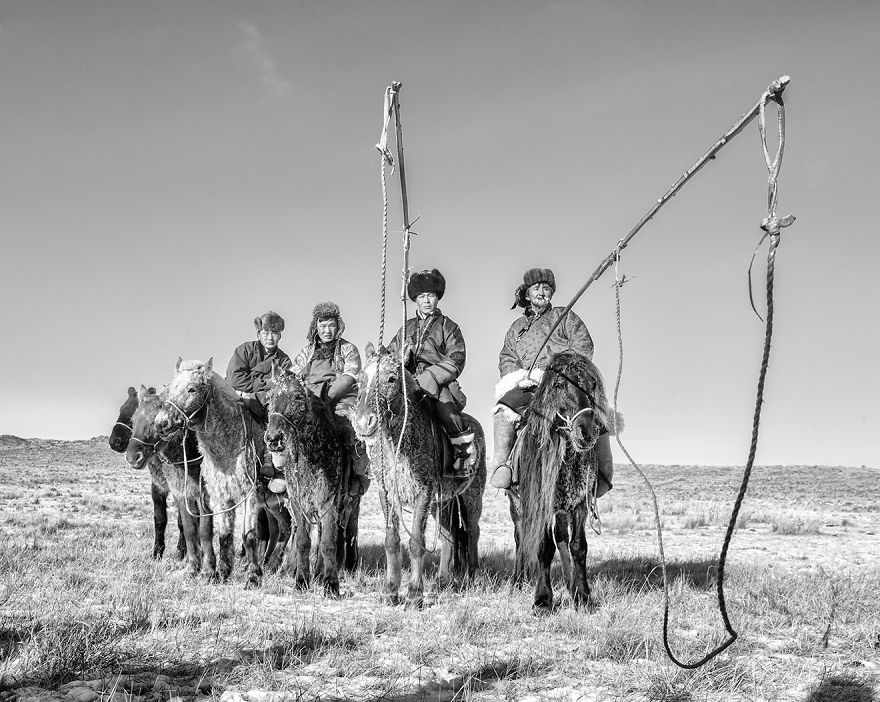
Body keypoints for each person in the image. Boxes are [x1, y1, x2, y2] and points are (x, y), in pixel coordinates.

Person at [489, 268, 615, 494]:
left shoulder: (564, 316)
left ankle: (603, 475)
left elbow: (583, 345)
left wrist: (561, 368)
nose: (541, 292)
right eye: (536, 288)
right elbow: (507, 357)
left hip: (565, 379)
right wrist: (518, 377)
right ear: (527, 294)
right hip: (530, 383)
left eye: (546, 288)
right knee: (503, 410)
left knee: (597, 412)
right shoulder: (516, 328)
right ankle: (503, 465)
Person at [388, 268, 474, 477]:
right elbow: (390, 359)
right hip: (408, 383)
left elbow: (456, 359)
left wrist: (428, 378)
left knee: (448, 413)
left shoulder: (449, 327)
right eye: (422, 296)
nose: (426, 300)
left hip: (438, 384)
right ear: (415, 300)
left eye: (431, 295)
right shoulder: (404, 328)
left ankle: (461, 458)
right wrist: (401, 355)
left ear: (437, 298)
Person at [289, 301, 371, 497]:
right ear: (315, 327)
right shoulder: (306, 352)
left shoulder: (348, 349)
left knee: (351, 429)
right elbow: (294, 374)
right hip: (311, 400)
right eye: (323, 325)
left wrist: (327, 397)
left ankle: (360, 474)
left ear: (338, 326)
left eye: (331, 325)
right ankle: (285, 473)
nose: (327, 330)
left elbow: (350, 375)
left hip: (341, 400)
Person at [226, 310, 292, 492]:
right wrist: (265, 383)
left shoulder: (284, 360)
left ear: (280, 336)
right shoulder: (244, 350)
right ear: (258, 334)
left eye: (274, 333)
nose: (270, 337)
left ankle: (272, 463)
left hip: (265, 403)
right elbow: (234, 379)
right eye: (266, 333)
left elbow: (282, 385)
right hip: (237, 398)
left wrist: (256, 393)